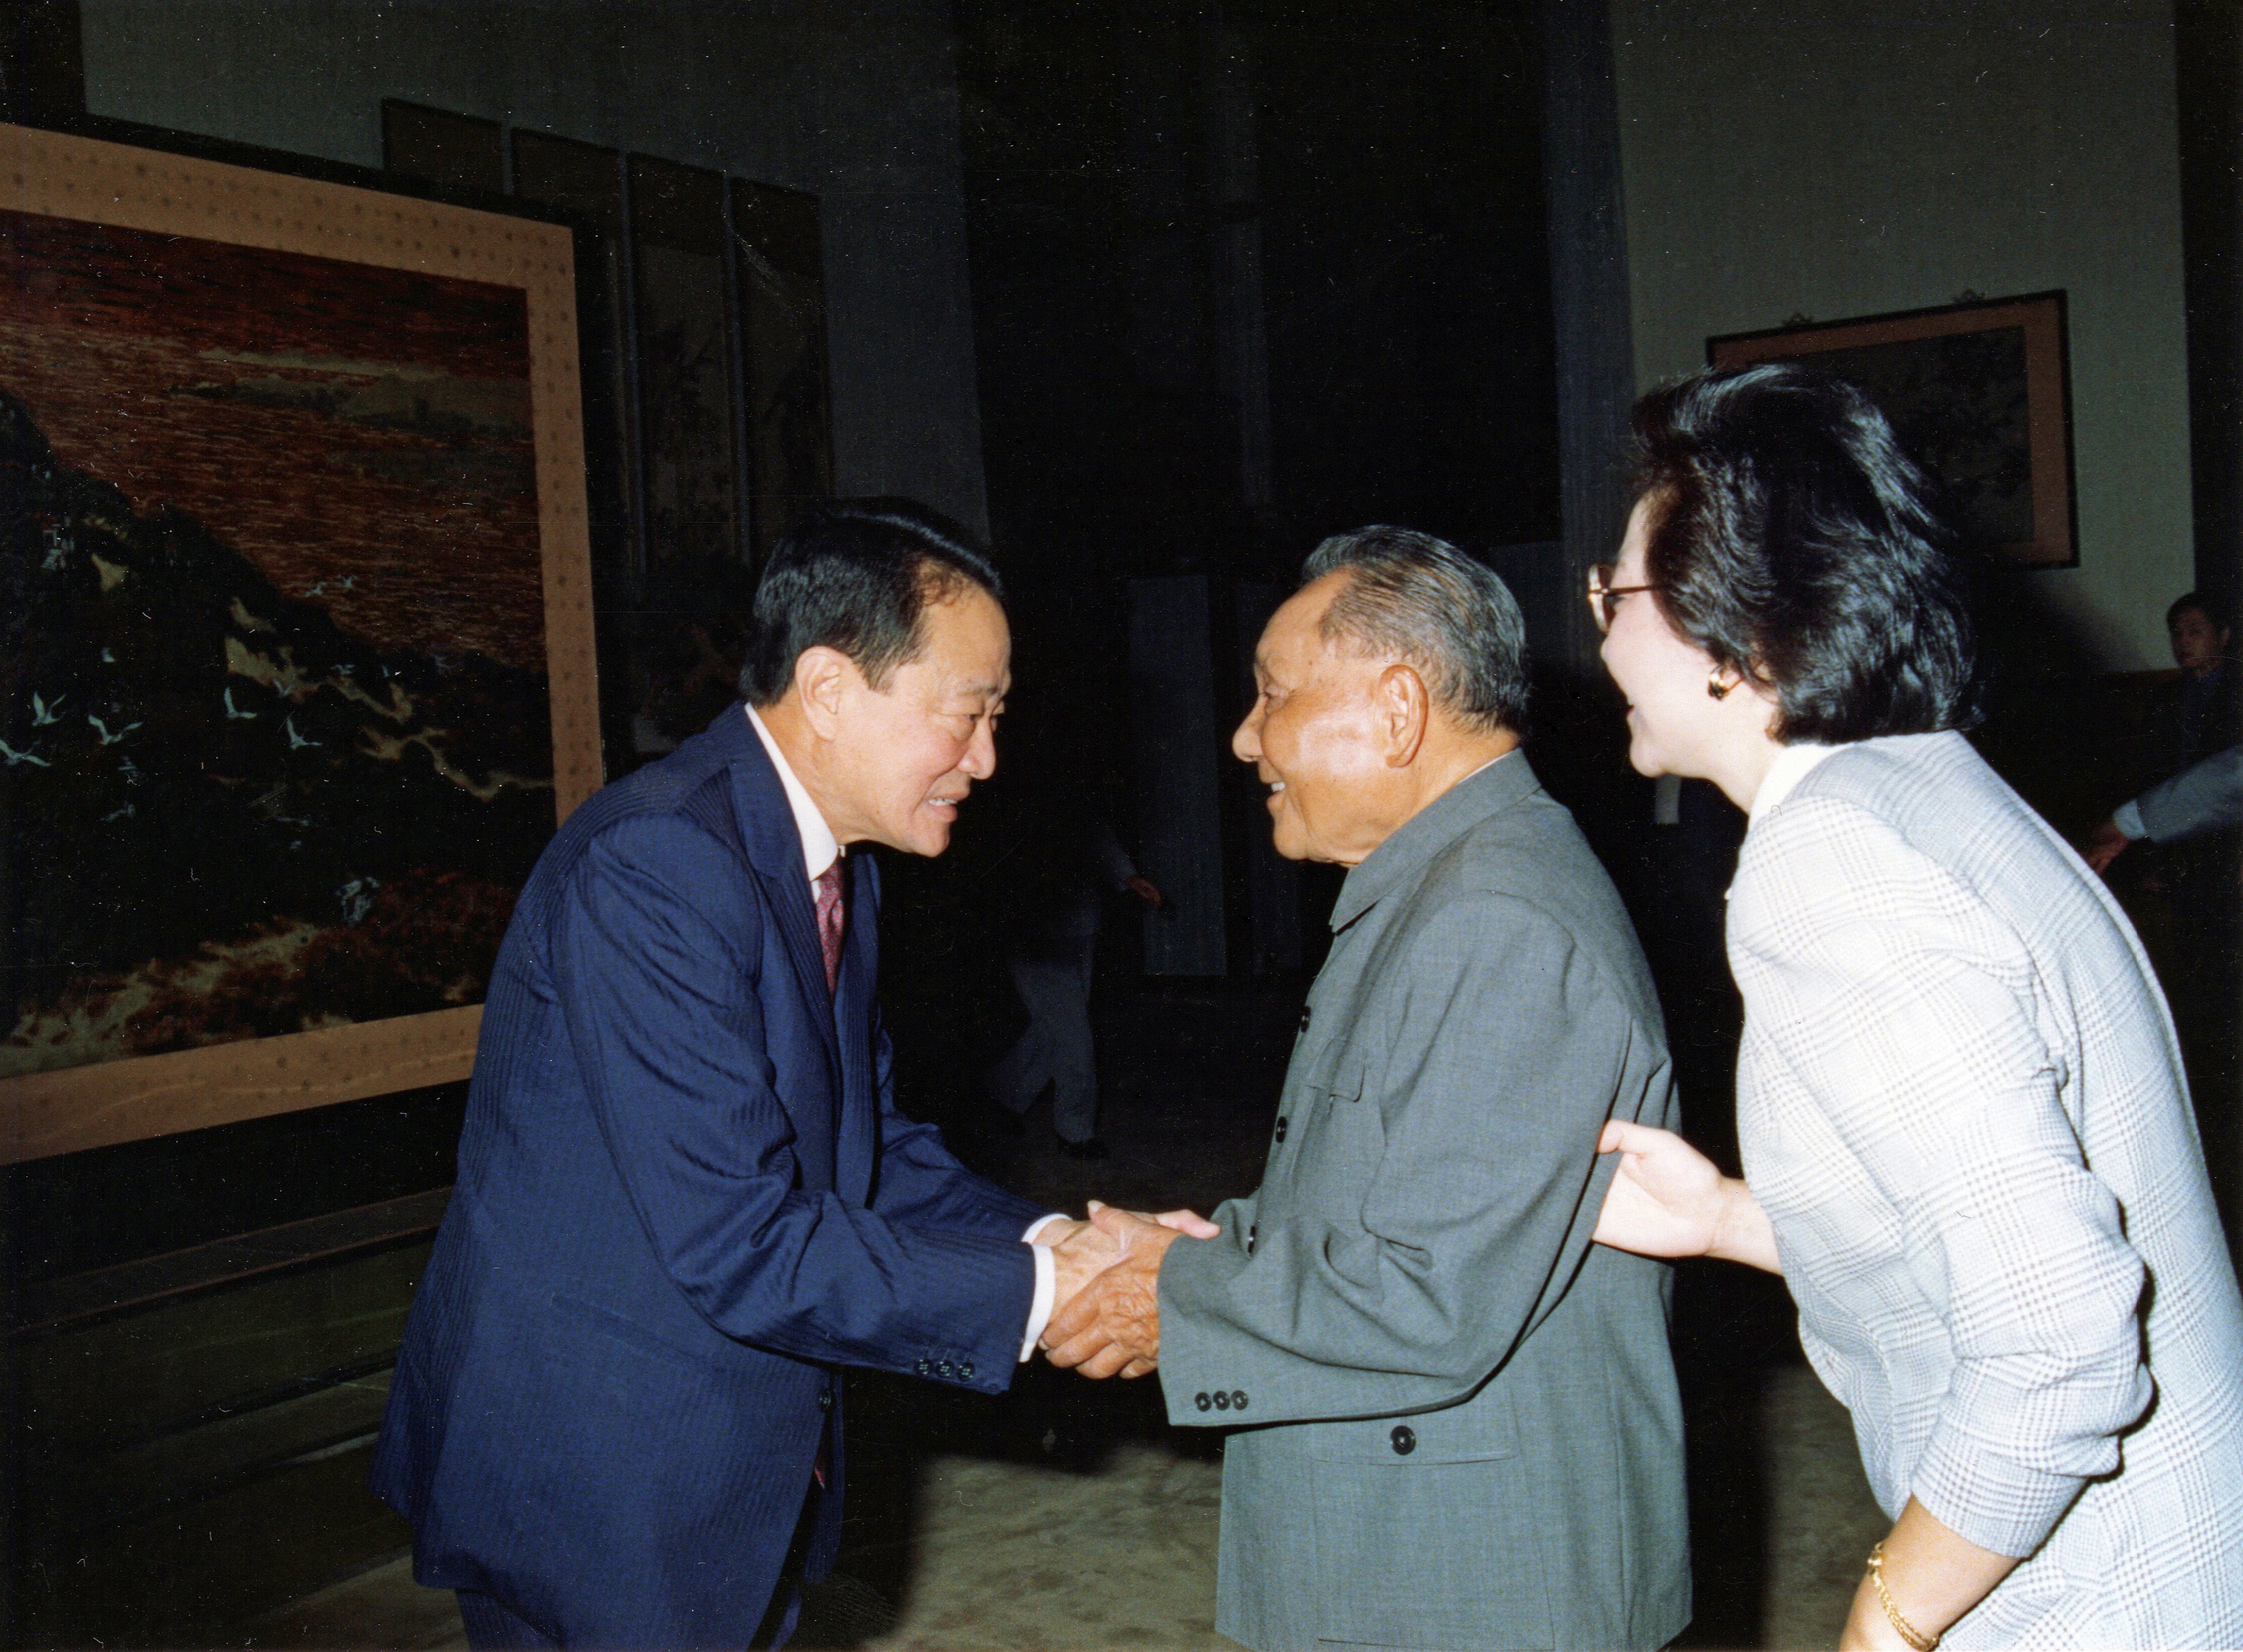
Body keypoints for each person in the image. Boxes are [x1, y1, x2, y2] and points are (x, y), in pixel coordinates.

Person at [369, 501, 1185, 1648]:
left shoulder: (829, 859)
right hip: (603, 1476)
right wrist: (1054, 1303)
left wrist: (1059, 1239)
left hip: (725, 1457)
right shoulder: (657, 864)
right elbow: (739, 1236)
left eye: (997, 716)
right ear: (834, 687)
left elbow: (872, 1150)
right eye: (969, 711)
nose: (988, 757)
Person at [1586, 364, 2243, 1649]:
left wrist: (1891, 1613)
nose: (1601, 635)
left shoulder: (1826, 867)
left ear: (1735, 641)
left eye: (1615, 597)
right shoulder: (1932, 786)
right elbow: (1988, 1220)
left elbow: (2060, 1333)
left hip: (2094, 1596)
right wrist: (1727, 1215)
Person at [1044, 528, 1691, 1651]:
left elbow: (1429, 1292)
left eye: (1272, 695)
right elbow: (1396, 1197)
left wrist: (1176, 1295)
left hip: (1477, 1569)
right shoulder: (1449, 883)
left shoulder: (1498, 919)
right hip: (1423, 1527)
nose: (1247, 738)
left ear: (1398, 710)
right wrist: (1209, 1240)